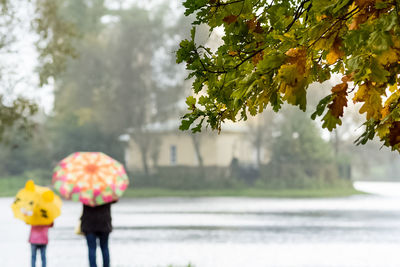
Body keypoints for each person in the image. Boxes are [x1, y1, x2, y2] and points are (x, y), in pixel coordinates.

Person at [81, 202, 115, 267]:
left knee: (91, 248)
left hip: (89, 224)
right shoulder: (106, 193)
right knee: (104, 247)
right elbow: (114, 200)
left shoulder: (86, 194)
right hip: (104, 223)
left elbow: (81, 198)